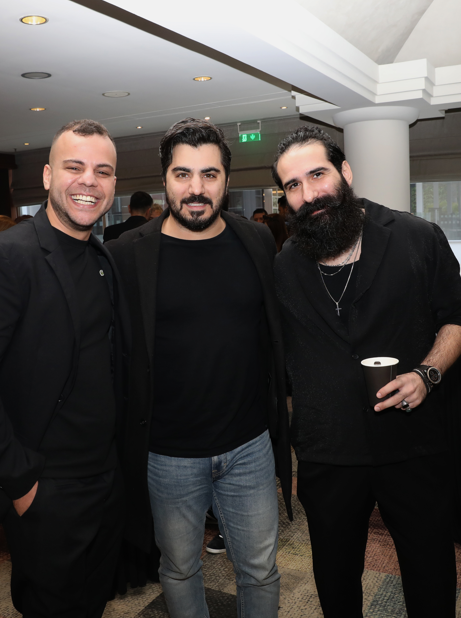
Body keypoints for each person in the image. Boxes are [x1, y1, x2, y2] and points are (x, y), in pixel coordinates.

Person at [271, 125, 461, 617]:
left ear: (344, 172)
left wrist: (427, 373)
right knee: (335, 580)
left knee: (430, 576)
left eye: (317, 175)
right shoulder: (285, 264)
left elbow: (460, 316)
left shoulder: (415, 237)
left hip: (412, 441)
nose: (308, 194)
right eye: (293, 185)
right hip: (327, 451)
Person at [0, 119, 128, 618]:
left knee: (92, 603)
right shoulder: (2, 256)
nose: (89, 181)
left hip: (105, 477)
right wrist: (22, 485)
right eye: (74, 167)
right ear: (47, 176)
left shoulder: (102, 258)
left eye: (102, 171)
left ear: (113, 183)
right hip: (47, 485)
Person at [106, 118, 292, 618]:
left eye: (209, 175)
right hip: (167, 455)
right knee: (179, 568)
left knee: (260, 570)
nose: (196, 188)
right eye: (182, 174)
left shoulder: (256, 241)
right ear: (165, 179)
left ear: (226, 180)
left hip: (249, 446)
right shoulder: (126, 255)